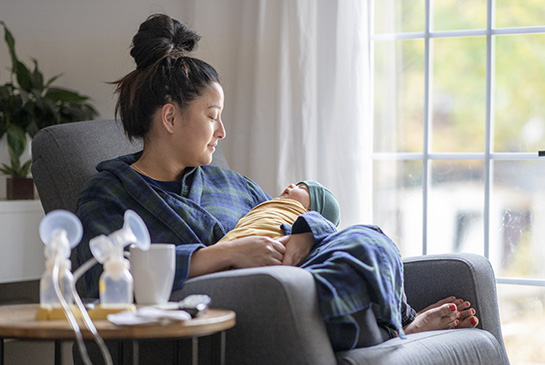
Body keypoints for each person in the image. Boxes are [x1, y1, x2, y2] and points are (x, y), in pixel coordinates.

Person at [75, 13, 479, 351]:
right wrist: (227, 254)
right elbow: (101, 279)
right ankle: (394, 334)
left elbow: (280, 217)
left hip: (296, 276)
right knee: (333, 266)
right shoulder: (108, 194)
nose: (222, 132)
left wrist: (306, 230)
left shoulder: (232, 184)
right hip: (241, 305)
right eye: (213, 115)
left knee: (364, 237)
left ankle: (394, 330)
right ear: (169, 118)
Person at [217, 180, 340, 243]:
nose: (291, 185)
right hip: (235, 242)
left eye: (301, 188)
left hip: (270, 241)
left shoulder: (302, 216)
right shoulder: (270, 205)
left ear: (310, 210)